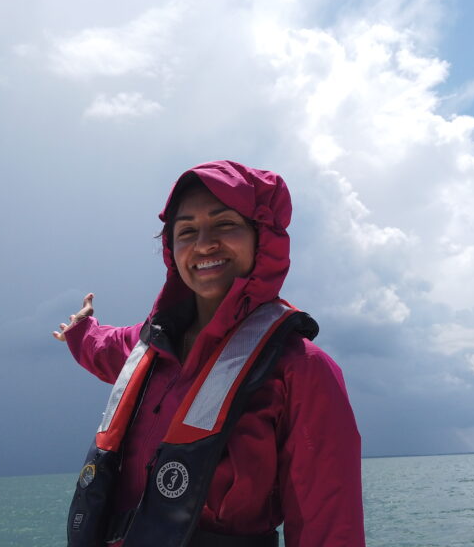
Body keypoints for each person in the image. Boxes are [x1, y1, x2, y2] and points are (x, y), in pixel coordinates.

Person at [53, 160, 364, 547]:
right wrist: (80, 329)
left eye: (225, 224)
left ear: (262, 237)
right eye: (186, 231)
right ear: (171, 249)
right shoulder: (148, 345)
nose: (203, 244)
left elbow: (329, 526)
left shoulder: (302, 368)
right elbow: (101, 348)